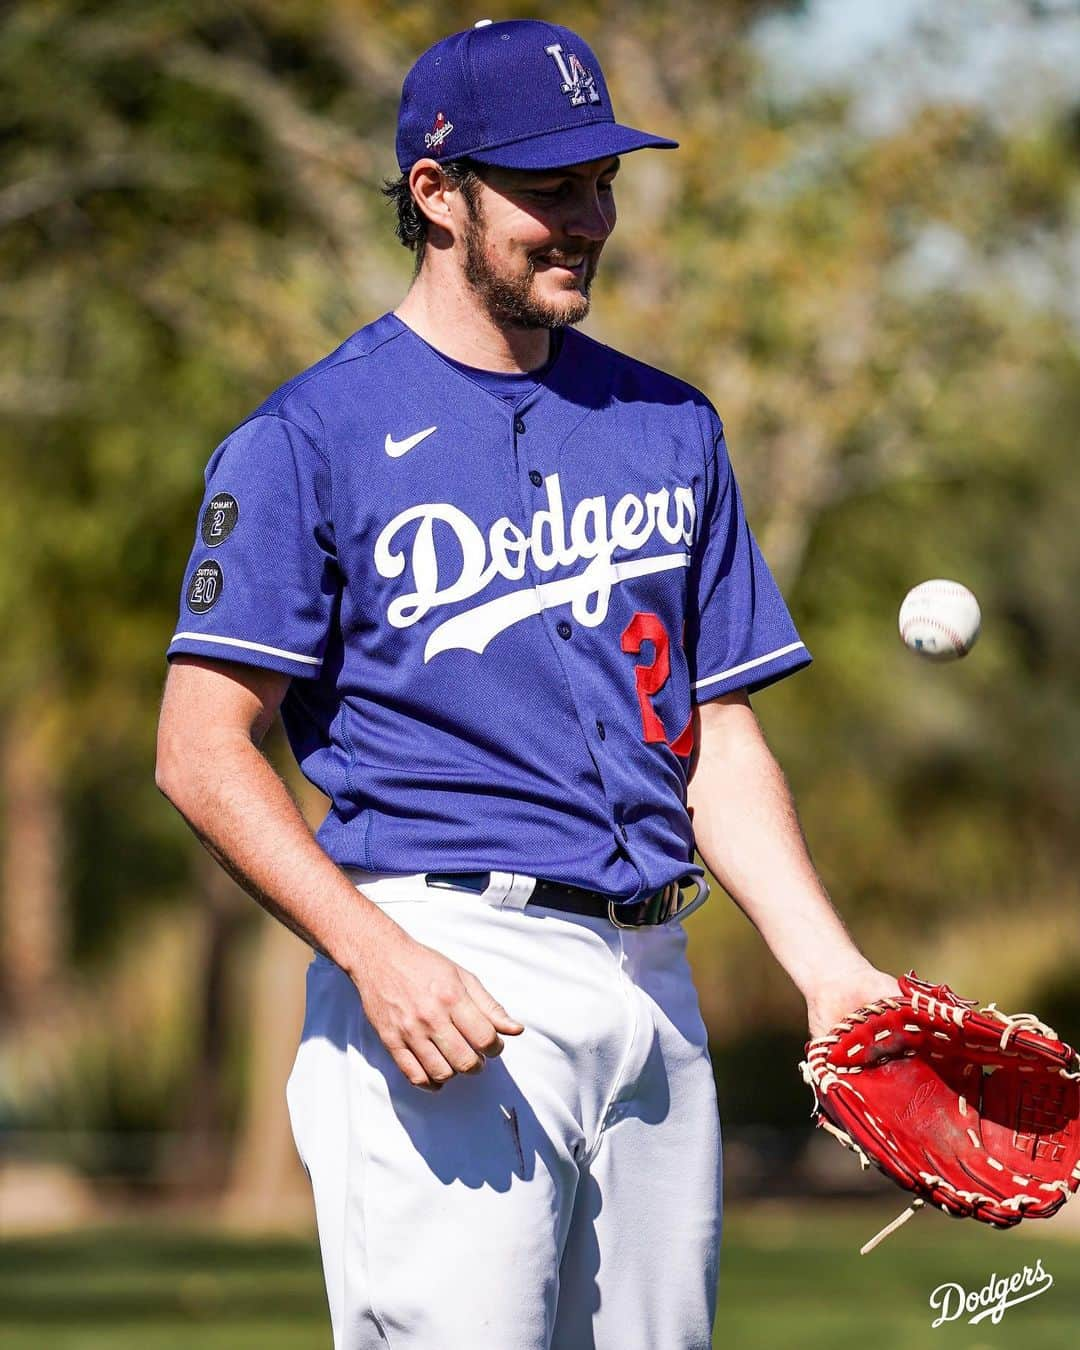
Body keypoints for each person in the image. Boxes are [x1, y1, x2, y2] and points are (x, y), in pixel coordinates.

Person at [156, 18, 900, 1350]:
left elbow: (713, 735)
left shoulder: (670, 425)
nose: (590, 217)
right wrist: (373, 950)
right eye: (549, 187)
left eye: (603, 181)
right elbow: (201, 750)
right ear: (434, 194)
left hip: (651, 976)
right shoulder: (301, 440)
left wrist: (825, 964)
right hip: (448, 967)